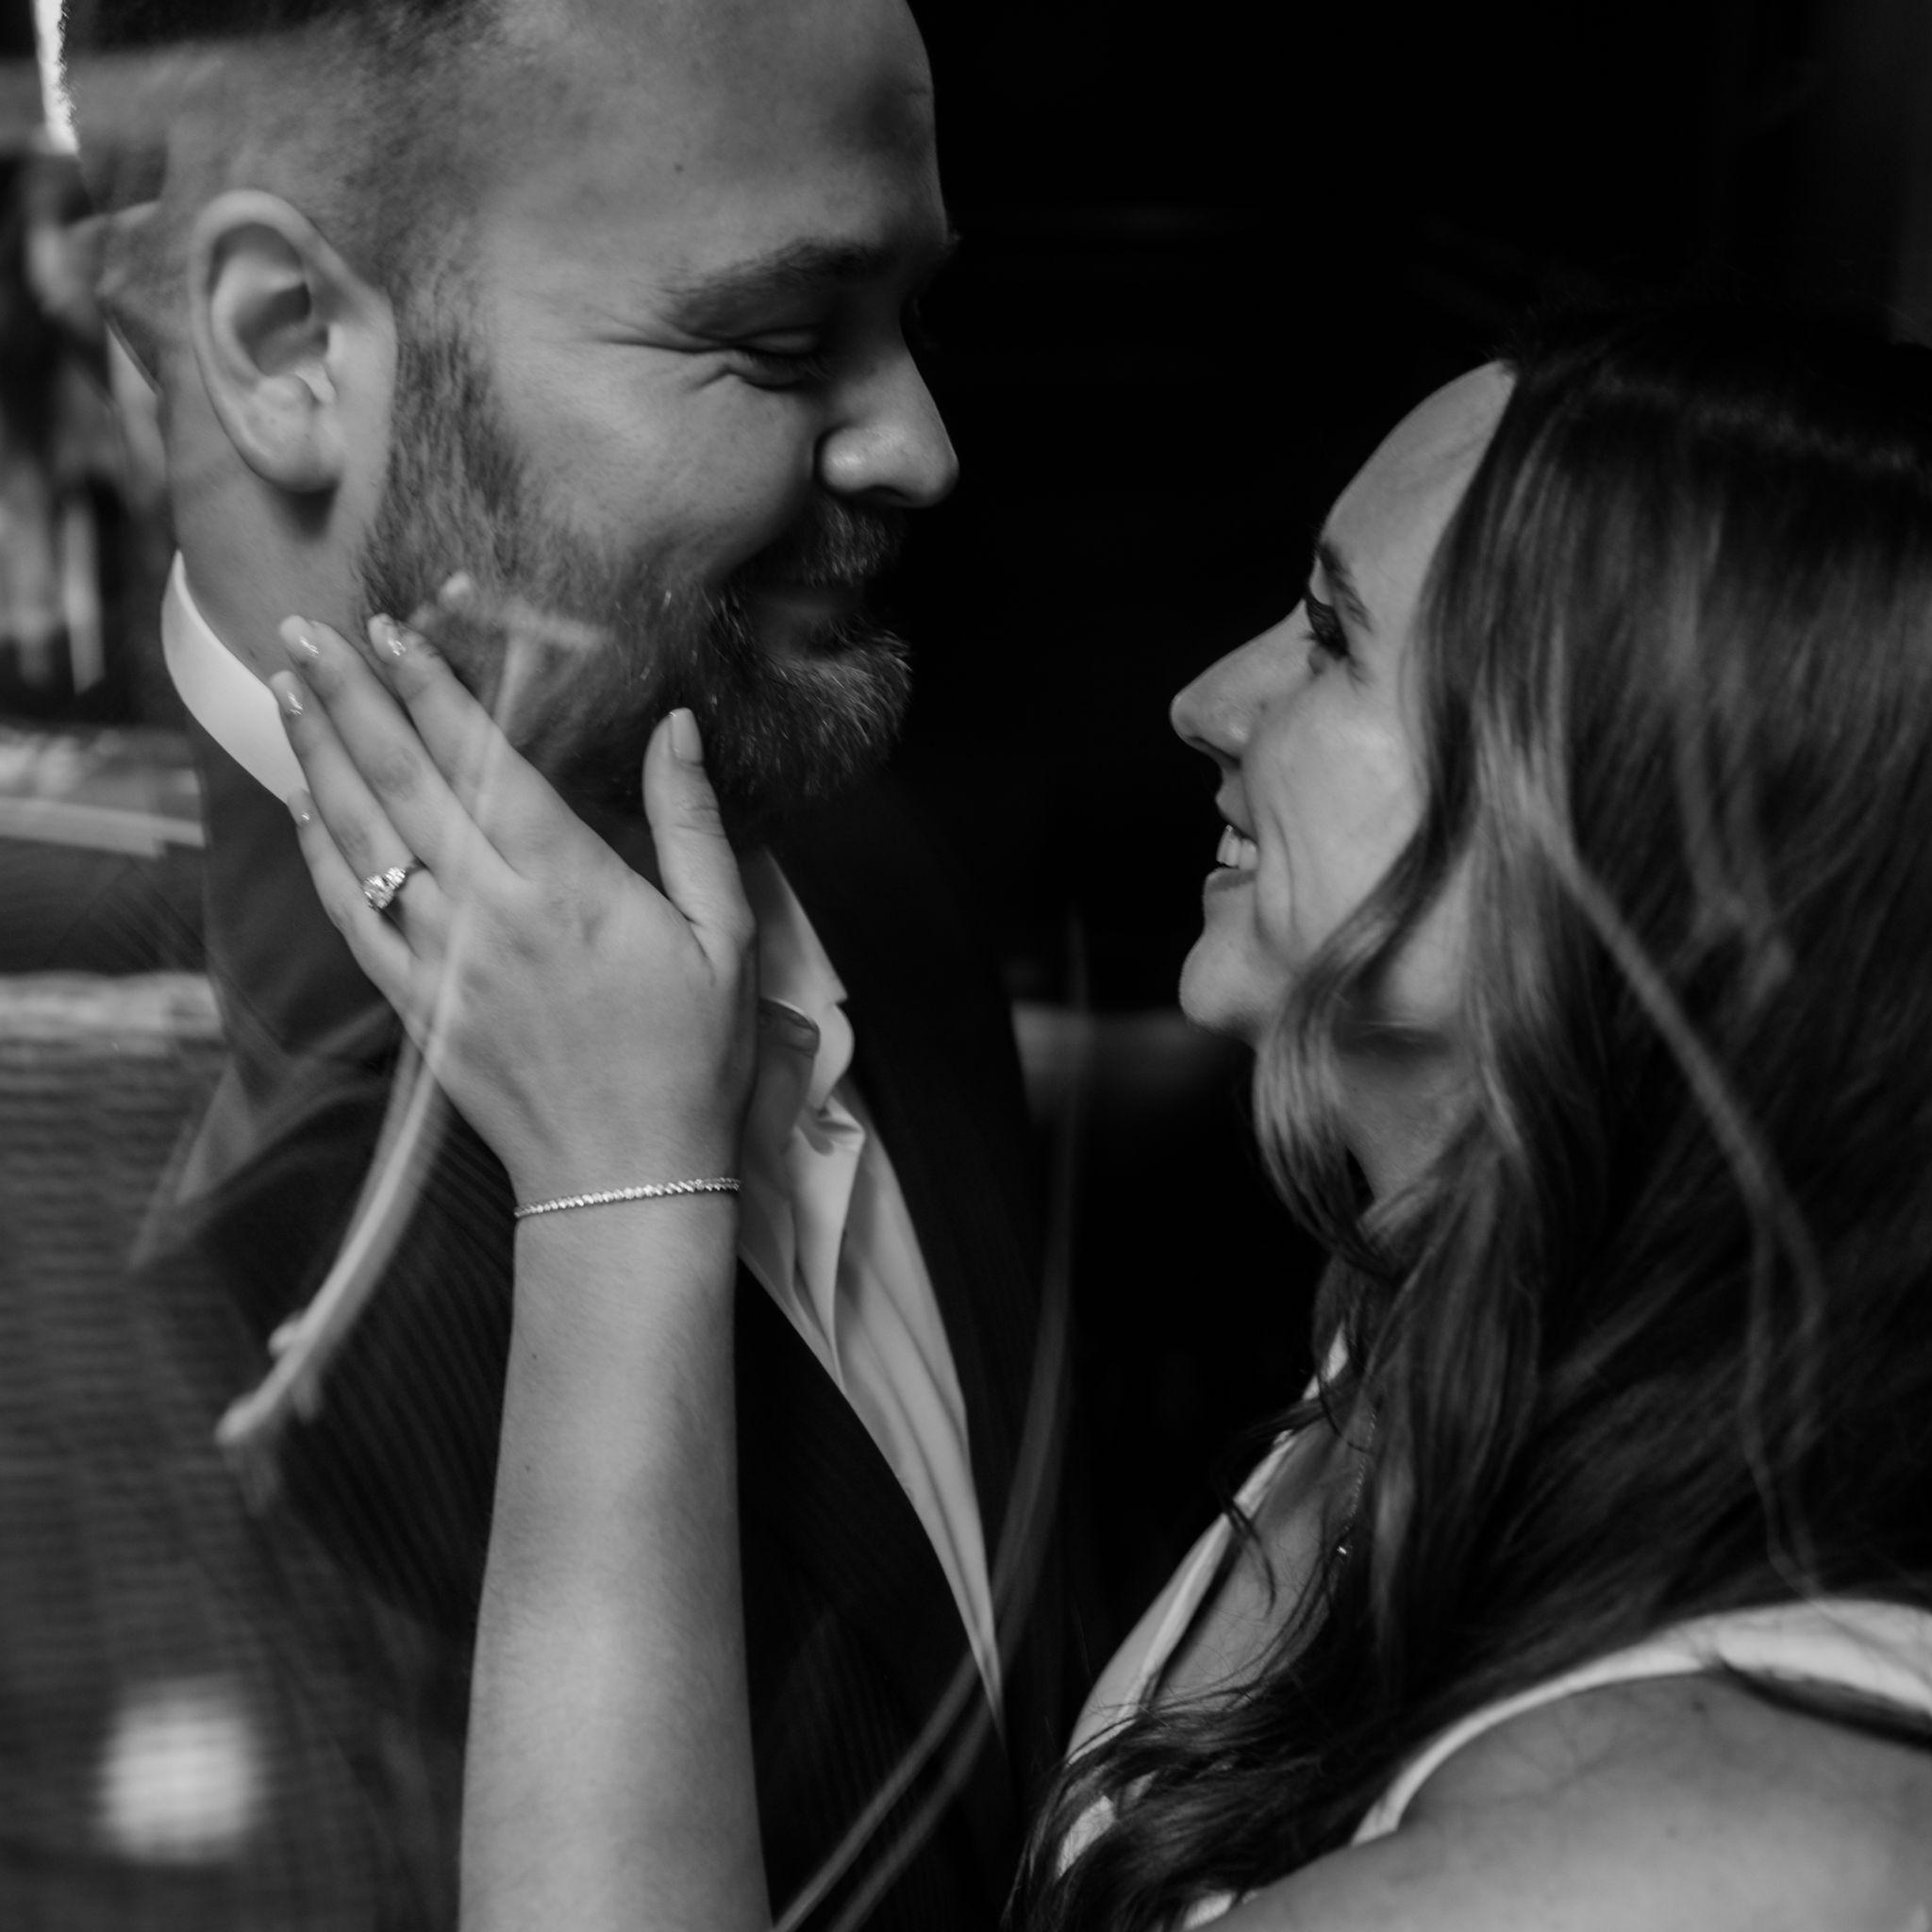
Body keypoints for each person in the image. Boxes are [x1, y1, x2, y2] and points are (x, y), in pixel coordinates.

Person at [278, 299, 1932, 1929]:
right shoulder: (1443, 1331)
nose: (1208, 699)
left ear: (1629, 842)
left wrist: (619, 1178)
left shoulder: (1677, 1858)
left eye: (1334, 640)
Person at [60, 0, 1080, 1924]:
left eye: (910, 318)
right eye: (781, 339)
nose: (923, 449)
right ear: (287, 346)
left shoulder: (856, 842)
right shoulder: (84, 1167)